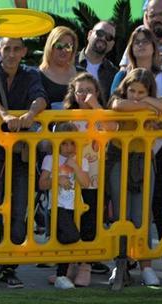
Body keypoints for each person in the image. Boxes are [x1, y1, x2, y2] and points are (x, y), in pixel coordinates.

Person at [0, 36, 47, 288]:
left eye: (17, 49)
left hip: (21, 155)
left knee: (19, 211)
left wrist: (30, 114)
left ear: (24, 51)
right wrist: (5, 115)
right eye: (7, 49)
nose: (12, 54)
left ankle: (9, 267)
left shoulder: (31, 73)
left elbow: (40, 97)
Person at [112, 26, 162, 274]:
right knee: (125, 207)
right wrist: (146, 109)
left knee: (160, 201)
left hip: (160, 148)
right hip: (125, 151)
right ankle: (126, 259)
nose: (141, 45)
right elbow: (114, 104)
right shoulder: (121, 75)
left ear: (155, 47)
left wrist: (150, 107)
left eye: (146, 41)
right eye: (136, 42)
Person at [107, 68, 162, 287]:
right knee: (121, 213)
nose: (135, 95)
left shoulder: (154, 102)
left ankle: (145, 264)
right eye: (133, 90)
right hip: (120, 159)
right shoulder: (119, 99)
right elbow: (118, 105)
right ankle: (121, 263)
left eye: (142, 92)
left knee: (142, 214)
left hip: (144, 160)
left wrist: (148, 100)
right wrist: (147, 106)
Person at [58, 72, 115, 286]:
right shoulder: (67, 116)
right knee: (69, 219)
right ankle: (68, 264)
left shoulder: (100, 114)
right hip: (69, 177)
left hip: (93, 175)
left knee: (90, 219)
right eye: (80, 90)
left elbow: (111, 129)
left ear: (97, 92)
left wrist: (96, 105)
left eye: (89, 90)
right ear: (73, 92)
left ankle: (85, 265)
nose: (84, 95)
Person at [38, 122, 92, 289]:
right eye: (64, 143)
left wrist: (75, 165)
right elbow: (42, 184)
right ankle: (62, 274)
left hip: (76, 207)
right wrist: (56, 180)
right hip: (58, 206)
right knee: (71, 237)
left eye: (71, 143)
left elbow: (85, 183)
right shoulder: (50, 159)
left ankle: (62, 275)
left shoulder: (81, 159)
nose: (68, 148)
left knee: (68, 239)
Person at [75, 21, 118, 105]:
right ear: (89, 34)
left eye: (109, 37)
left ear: (112, 44)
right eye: (100, 33)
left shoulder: (114, 73)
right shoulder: (69, 62)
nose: (103, 38)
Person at [39, 26, 79, 109]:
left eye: (68, 46)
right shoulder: (36, 75)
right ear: (50, 47)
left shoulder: (81, 73)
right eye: (59, 46)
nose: (64, 50)